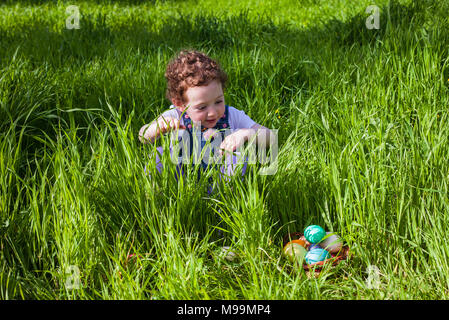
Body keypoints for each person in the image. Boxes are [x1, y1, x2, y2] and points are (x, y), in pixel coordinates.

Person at [138, 50, 272, 181]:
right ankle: (156, 196)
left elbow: (271, 137)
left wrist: (245, 134)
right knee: (159, 154)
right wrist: (156, 128)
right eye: (202, 107)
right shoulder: (175, 116)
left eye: (218, 101)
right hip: (181, 183)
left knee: (237, 156)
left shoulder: (231, 115)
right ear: (180, 104)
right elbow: (142, 136)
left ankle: (226, 197)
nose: (213, 112)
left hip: (221, 179)